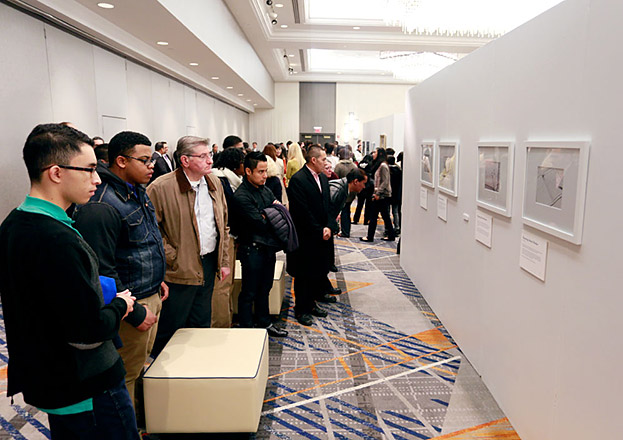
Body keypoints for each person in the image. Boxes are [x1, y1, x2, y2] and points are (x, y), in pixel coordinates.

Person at [0, 123, 138, 439]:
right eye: (89, 169)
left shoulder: (15, 223)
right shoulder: (56, 239)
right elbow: (87, 332)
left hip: (52, 377)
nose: (97, 179)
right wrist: (121, 305)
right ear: (56, 173)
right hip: (86, 385)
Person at [73, 131, 167, 410]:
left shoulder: (135, 191)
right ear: (121, 161)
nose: (151, 166)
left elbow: (142, 243)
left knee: (139, 368)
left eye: (152, 160)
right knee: (124, 375)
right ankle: (127, 426)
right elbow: (101, 270)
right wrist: (134, 312)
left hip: (149, 293)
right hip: (129, 306)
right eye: (144, 160)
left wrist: (158, 279)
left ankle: (137, 418)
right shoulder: (102, 205)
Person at [147, 136, 231, 357]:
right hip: (178, 269)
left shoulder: (214, 183)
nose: (210, 160)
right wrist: (172, 256)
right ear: (185, 160)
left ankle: (196, 366)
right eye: (203, 156)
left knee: (201, 321)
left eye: (209, 155)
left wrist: (223, 260)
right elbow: (149, 231)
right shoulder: (161, 187)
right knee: (172, 326)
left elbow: (222, 224)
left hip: (208, 262)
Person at [230, 152, 288, 337]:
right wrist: (271, 214)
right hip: (251, 249)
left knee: (265, 288)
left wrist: (270, 213)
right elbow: (261, 223)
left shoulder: (265, 189)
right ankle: (247, 327)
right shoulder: (241, 196)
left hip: (268, 248)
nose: (265, 175)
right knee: (249, 291)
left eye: (266, 171)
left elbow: (279, 211)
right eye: (260, 172)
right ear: (248, 171)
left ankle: (264, 322)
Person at [287, 145, 332, 326]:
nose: (326, 163)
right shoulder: (298, 180)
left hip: (322, 235)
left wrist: (329, 226)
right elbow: (302, 212)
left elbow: (327, 205)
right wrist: (319, 230)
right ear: (313, 160)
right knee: (303, 275)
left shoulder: (323, 178)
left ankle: (312, 304)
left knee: (316, 272)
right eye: (323, 159)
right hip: (305, 236)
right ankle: (301, 309)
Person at [210, 147, 245, 328]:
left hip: (227, 236)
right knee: (222, 285)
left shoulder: (224, 179)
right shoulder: (221, 182)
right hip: (224, 238)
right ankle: (221, 326)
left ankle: (227, 320)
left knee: (226, 283)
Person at [361, 148, 396, 242]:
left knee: (376, 216)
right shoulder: (380, 165)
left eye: (375, 152)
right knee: (383, 216)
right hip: (380, 195)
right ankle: (390, 235)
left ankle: (370, 236)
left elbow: (385, 182)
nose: (373, 154)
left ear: (380, 154)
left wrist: (377, 193)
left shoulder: (383, 166)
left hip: (382, 196)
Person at [388, 155, 403, 235]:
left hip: (388, 193)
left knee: (387, 211)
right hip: (396, 194)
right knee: (395, 211)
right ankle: (397, 227)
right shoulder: (399, 170)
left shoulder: (387, 170)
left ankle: (388, 227)